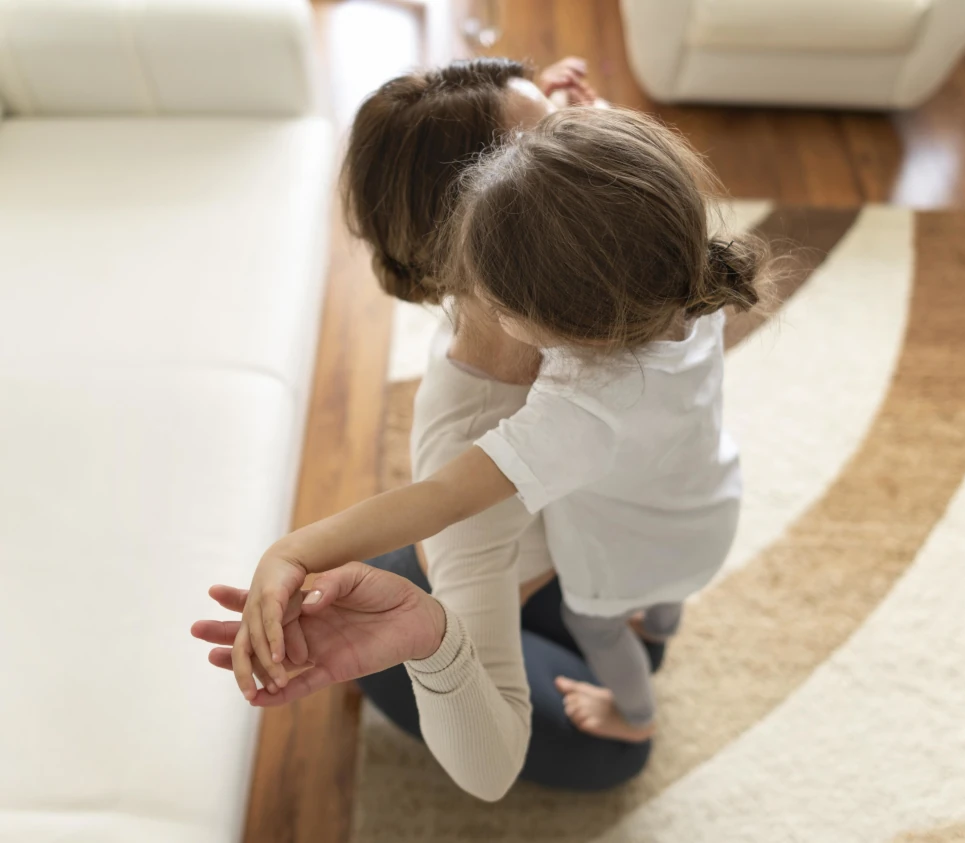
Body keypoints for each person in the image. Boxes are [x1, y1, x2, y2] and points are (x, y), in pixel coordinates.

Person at [192, 59, 670, 801]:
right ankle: (397, 660)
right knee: (617, 756)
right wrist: (433, 644)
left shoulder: (582, 278)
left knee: (652, 645)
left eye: (568, 133)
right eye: (554, 147)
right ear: (484, 235)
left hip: (549, 557)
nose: (589, 152)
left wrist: (564, 114)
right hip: (469, 575)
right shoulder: (474, 451)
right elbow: (488, 770)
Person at [227, 107, 770, 738]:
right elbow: (615, 196)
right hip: (710, 511)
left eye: (499, 305)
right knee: (666, 597)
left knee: (599, 628)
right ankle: (659, 625)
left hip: (625, 556)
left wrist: (294, 548)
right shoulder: (686, 284)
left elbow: (441, 498)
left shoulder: (583, 407)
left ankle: (636, 713)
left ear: (563, 325)